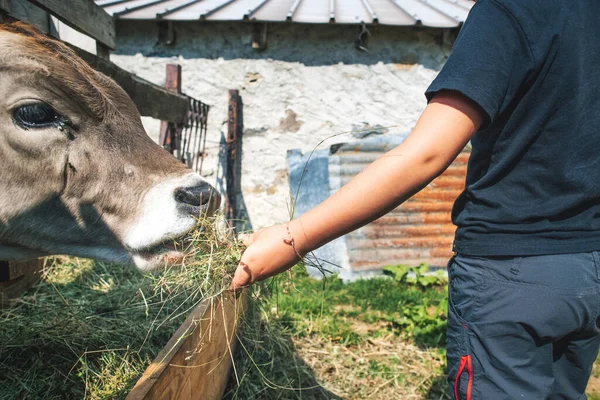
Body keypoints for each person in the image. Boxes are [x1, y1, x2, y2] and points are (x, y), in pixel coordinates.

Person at [230, 0, 600, 398]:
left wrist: (293, 239)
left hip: (511, 276)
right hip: (588, 270)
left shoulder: (510, 12)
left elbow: (425, 154)